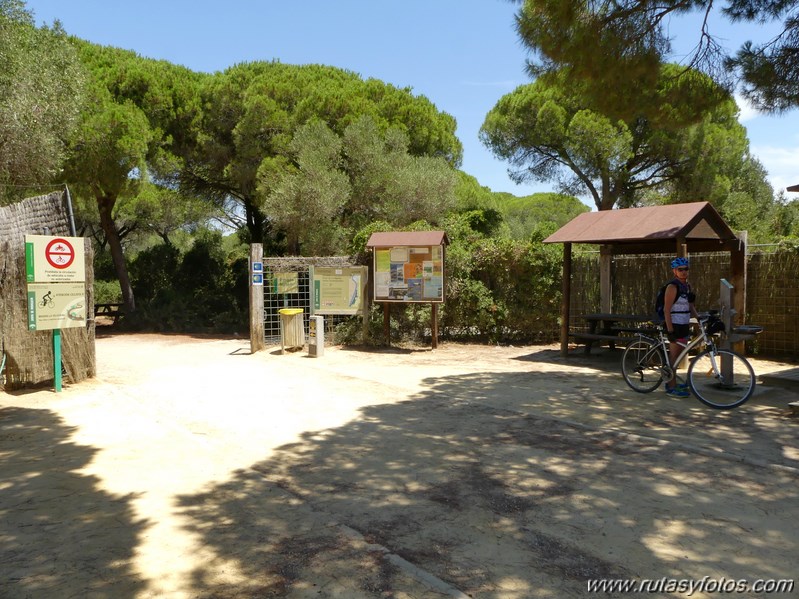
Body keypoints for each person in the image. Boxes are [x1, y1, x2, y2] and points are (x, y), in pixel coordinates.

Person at [663, 257, 700, 397]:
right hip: (675, 324)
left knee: (679, 356)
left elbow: (691, 306)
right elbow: (667, 310)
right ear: (674, 271)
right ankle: (671, 388)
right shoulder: (672, 287)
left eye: (686, 269)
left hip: (684, 323)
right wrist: (670, 330)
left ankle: (671, 382)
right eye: (680, 270)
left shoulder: (687, 286)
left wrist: (698, 318)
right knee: (674, 357)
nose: (684, 272)